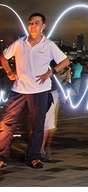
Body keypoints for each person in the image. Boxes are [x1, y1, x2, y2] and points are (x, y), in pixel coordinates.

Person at [0, 12, 70, 169]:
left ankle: (34, 157)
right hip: (19, 89)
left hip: (39, 90)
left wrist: (50, 72)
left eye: (36, 23)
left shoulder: (49, 45)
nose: (33, 26)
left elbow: (65, 61)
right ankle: (1, 156)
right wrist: (10, 72)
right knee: (6, 122)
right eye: (30, 23)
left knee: (37, 125)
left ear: (43, 26)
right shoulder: (20, 43)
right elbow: (3, 57)